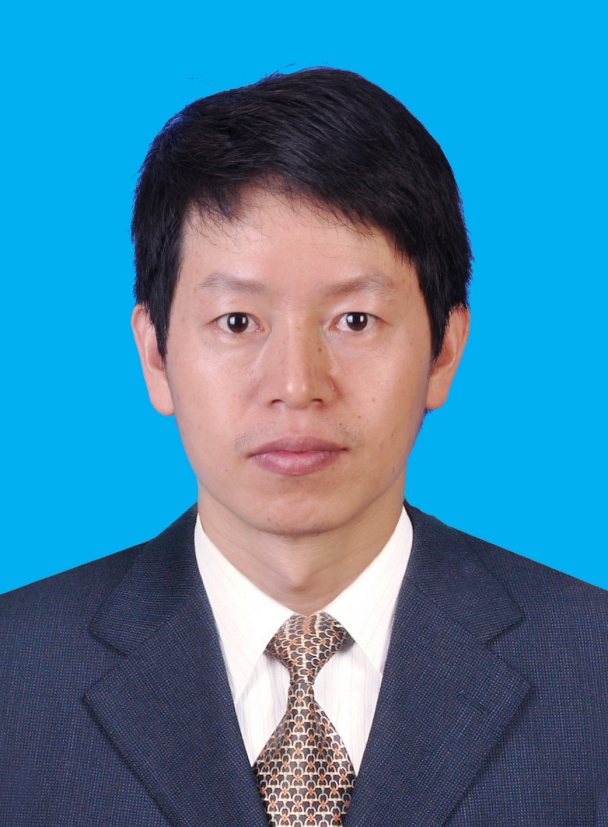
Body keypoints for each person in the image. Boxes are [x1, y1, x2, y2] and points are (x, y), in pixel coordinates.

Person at [1, 67, 607, 827]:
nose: (296, 385)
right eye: (237, 322)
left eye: (354, 321)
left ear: (444, 350)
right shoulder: (16, 677)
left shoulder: (591, 670)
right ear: (155, 355)